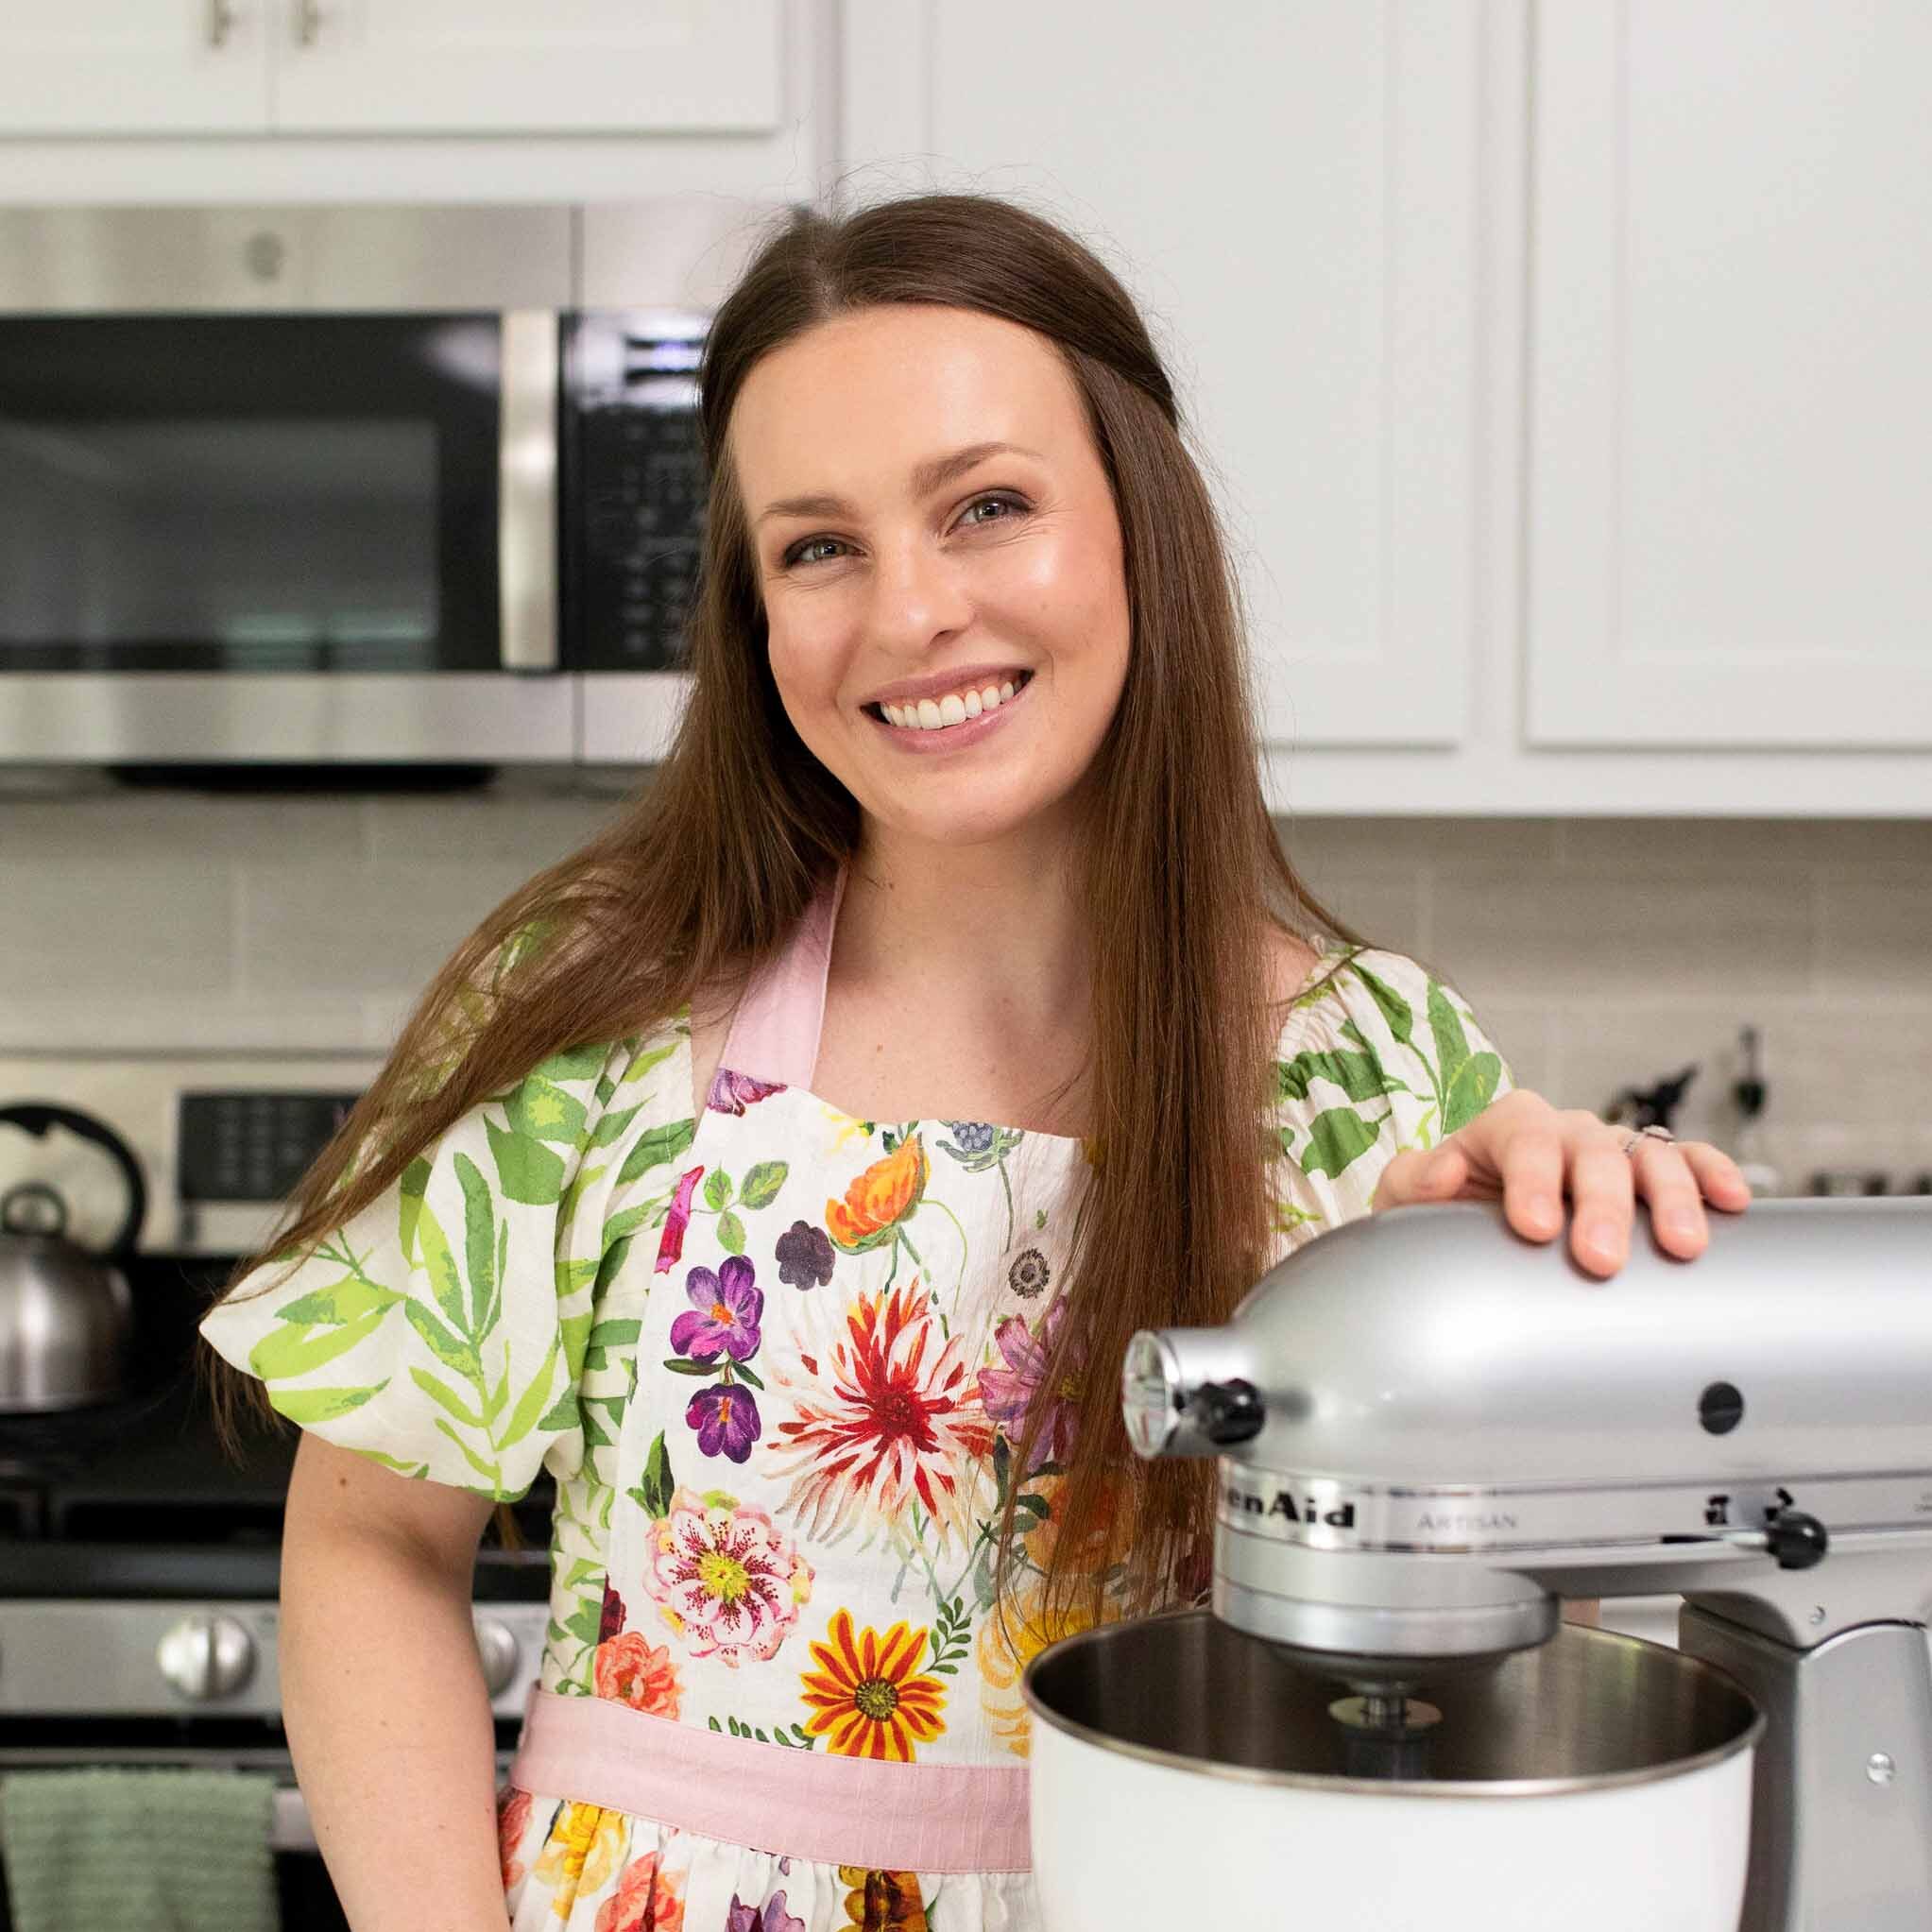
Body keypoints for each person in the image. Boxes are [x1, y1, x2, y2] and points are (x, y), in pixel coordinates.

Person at [197, 191, 1752, 1932]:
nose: (909, 611)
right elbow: (369, 1544)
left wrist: (1542, 1309)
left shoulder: (1369, 1068)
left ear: (1139, 531)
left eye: (987, 507)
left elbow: (1511, 1658)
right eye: (815, 546)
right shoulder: (593, 1011)